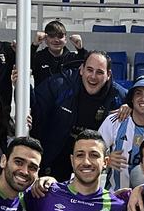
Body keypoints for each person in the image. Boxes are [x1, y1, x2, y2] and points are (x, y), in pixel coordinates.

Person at [31, 51, 126, 180]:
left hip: (92, 163)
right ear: (81, 70)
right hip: (56, 158)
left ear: (108, 75)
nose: (93, 76)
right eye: (89, 70)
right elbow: (35, 106)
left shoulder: (118, 96)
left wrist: (132, 107)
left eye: (99, 72)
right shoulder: (60, 85)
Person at [32, 20, 85, 87]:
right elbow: (23, 65)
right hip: (42, 97)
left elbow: (89, 64)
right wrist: (34, 45)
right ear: (45, 39)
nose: (56, 40)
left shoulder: (73, 59)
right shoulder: (38, 58)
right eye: (51, 36)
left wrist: (80, 50)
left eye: (60, 36)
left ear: (65, 39)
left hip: (67, 97)